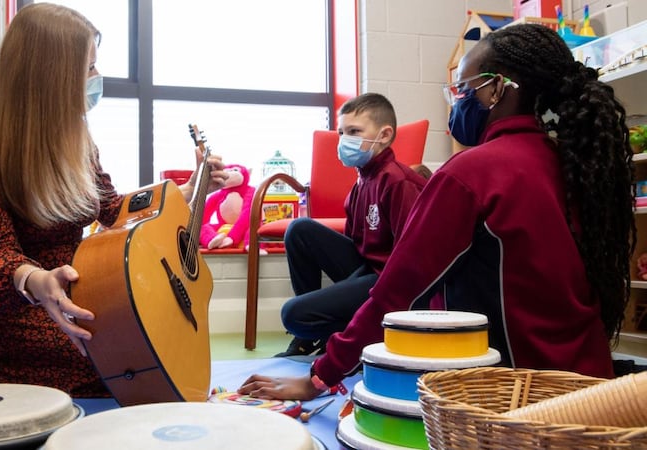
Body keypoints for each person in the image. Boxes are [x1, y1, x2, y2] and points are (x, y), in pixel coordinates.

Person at [240, 23, 634, 401]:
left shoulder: (470, 173)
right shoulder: (571, 164)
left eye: (462, 89)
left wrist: (320, 376)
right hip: (591, 386)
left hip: (521, 396)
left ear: (496, 88)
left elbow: (397, 292)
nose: (457, 102)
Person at [0, 3, 227, 397]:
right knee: (115, 347)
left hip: (71, 289)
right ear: (52, 77)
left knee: (146, 334)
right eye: (89, 69)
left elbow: (112, 209)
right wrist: (37, 280)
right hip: (12, 304)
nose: (97, 78)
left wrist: (191, 189)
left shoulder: (78, 141)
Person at [275, 93, 427, 357]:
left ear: (384, 134)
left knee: (293, 314)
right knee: (299, 230)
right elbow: (357, 247)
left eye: (354, 131)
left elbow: (411, 262)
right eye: (341, 132)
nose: (344, 140)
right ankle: (310, 339)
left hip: (391, 281)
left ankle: (361, 334)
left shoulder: (398, 182)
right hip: (367, 268)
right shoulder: (361, 182)